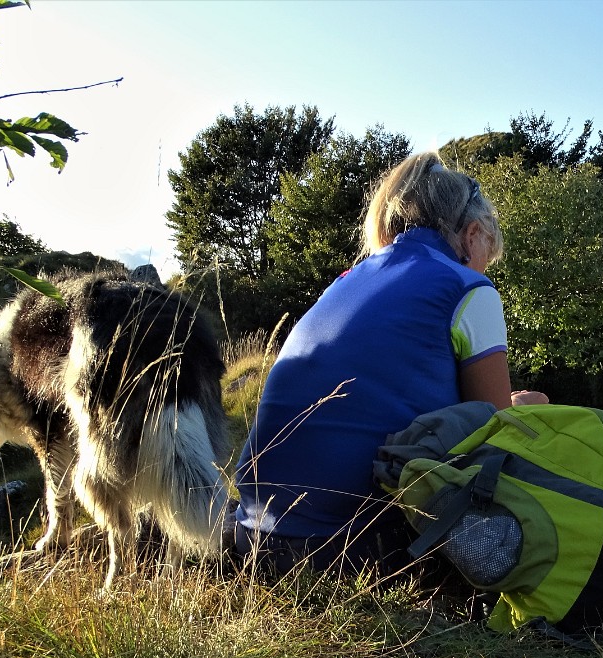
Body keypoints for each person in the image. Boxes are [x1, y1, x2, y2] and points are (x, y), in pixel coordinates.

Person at [232, 152, 547, 577]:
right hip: (351, 553)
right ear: (473, 234)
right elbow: (497, 431)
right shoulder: (468, 287)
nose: (484, 268)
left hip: (253, 540)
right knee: (534, 425)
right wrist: (527, 409)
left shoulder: (347, 281)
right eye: (486, 255)